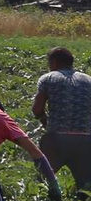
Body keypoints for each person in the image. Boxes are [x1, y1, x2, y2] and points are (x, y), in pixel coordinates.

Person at [32, 47, 91, 192]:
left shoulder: (48, 78)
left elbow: (37, 109)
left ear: (54, 62)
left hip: (56, 139)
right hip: (85, 140)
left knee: (41, 182)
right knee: (86, 187)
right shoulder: (88, 80)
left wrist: (44, 121)